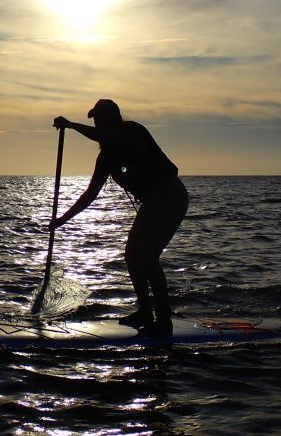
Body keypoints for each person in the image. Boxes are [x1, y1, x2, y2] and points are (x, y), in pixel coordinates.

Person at [50, 99, 189, 337]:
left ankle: (163, 320)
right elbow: (90, 194)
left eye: (100, 120)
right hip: (152, 202)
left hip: (171, 196)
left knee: (147, 255)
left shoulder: (132, 131)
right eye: (94, 120)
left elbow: (111, 137)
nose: (96, 123)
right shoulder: (106, 159)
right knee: (132, 254)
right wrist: (62, 220)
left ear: (111, 120)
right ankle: (145, 311)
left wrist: (72, 126)